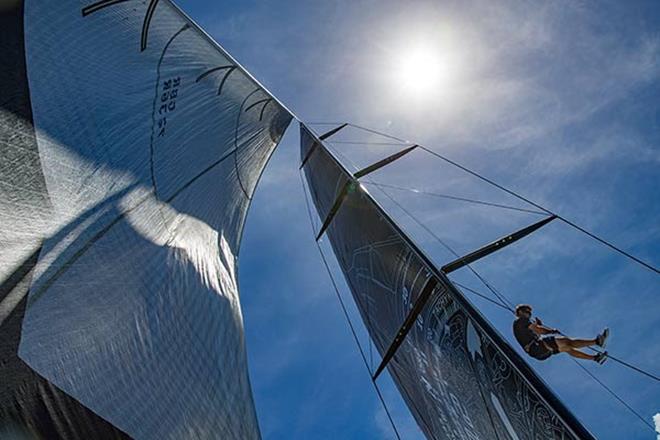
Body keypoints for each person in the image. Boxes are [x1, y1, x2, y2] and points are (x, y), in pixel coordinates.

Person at [513, 304, 609, 363]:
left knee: (567, 348)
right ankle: (597, 342)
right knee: (567, 342)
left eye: (530, 313)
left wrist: (538, 326)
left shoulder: (521, 326)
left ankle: (595, 358)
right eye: (527, 311)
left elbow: (536, 333)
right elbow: (540, 331)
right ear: (520, 312)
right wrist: (551, 331)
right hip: (537, 348)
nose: (529, 314)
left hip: (538, 353)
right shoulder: (521, 321)